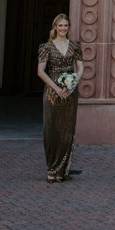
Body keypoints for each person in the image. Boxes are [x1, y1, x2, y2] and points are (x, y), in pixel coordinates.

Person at [37, 13, 83, 183]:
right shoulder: (46, 47)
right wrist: (56, 88)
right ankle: (51, 169)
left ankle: (62, 170)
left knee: (66, 131)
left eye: (66, 26)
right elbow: (40, 71)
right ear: (55, 27)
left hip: (70, 93)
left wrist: (72, 84)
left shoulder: (74, 46)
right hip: (52, 92)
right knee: (52, 131)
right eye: (61, 25)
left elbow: (80, 67)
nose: (63, 29)